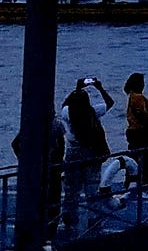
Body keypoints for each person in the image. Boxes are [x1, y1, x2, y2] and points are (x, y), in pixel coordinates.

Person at [59, 77, 114, 234]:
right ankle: (93, 218)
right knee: (92, 188)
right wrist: (100, 87)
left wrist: (77, 89)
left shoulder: (67, 112)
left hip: (72, 153)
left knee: (71, 190)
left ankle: (69, 220)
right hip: (91, 153)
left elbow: (64, 104)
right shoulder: (92, 112)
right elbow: (110, 103)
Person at [11, 106, 66, 240]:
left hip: (36, 170)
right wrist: (58, 163)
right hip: (52, 170)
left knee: (38, 201)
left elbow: (15, 144)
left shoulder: (31, 125)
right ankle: (49, 232)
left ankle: (36, 231)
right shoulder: (57, 125)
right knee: (53, 202)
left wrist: (25, 161)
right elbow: (61, 147)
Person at [123, 72, 148, 186]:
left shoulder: (132, 96)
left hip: (134, 132)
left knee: (134, 158)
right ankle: (144, 184)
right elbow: (140, 115)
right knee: (147, 160)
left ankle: (130, 182)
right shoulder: (138, 97)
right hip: (141, 132)